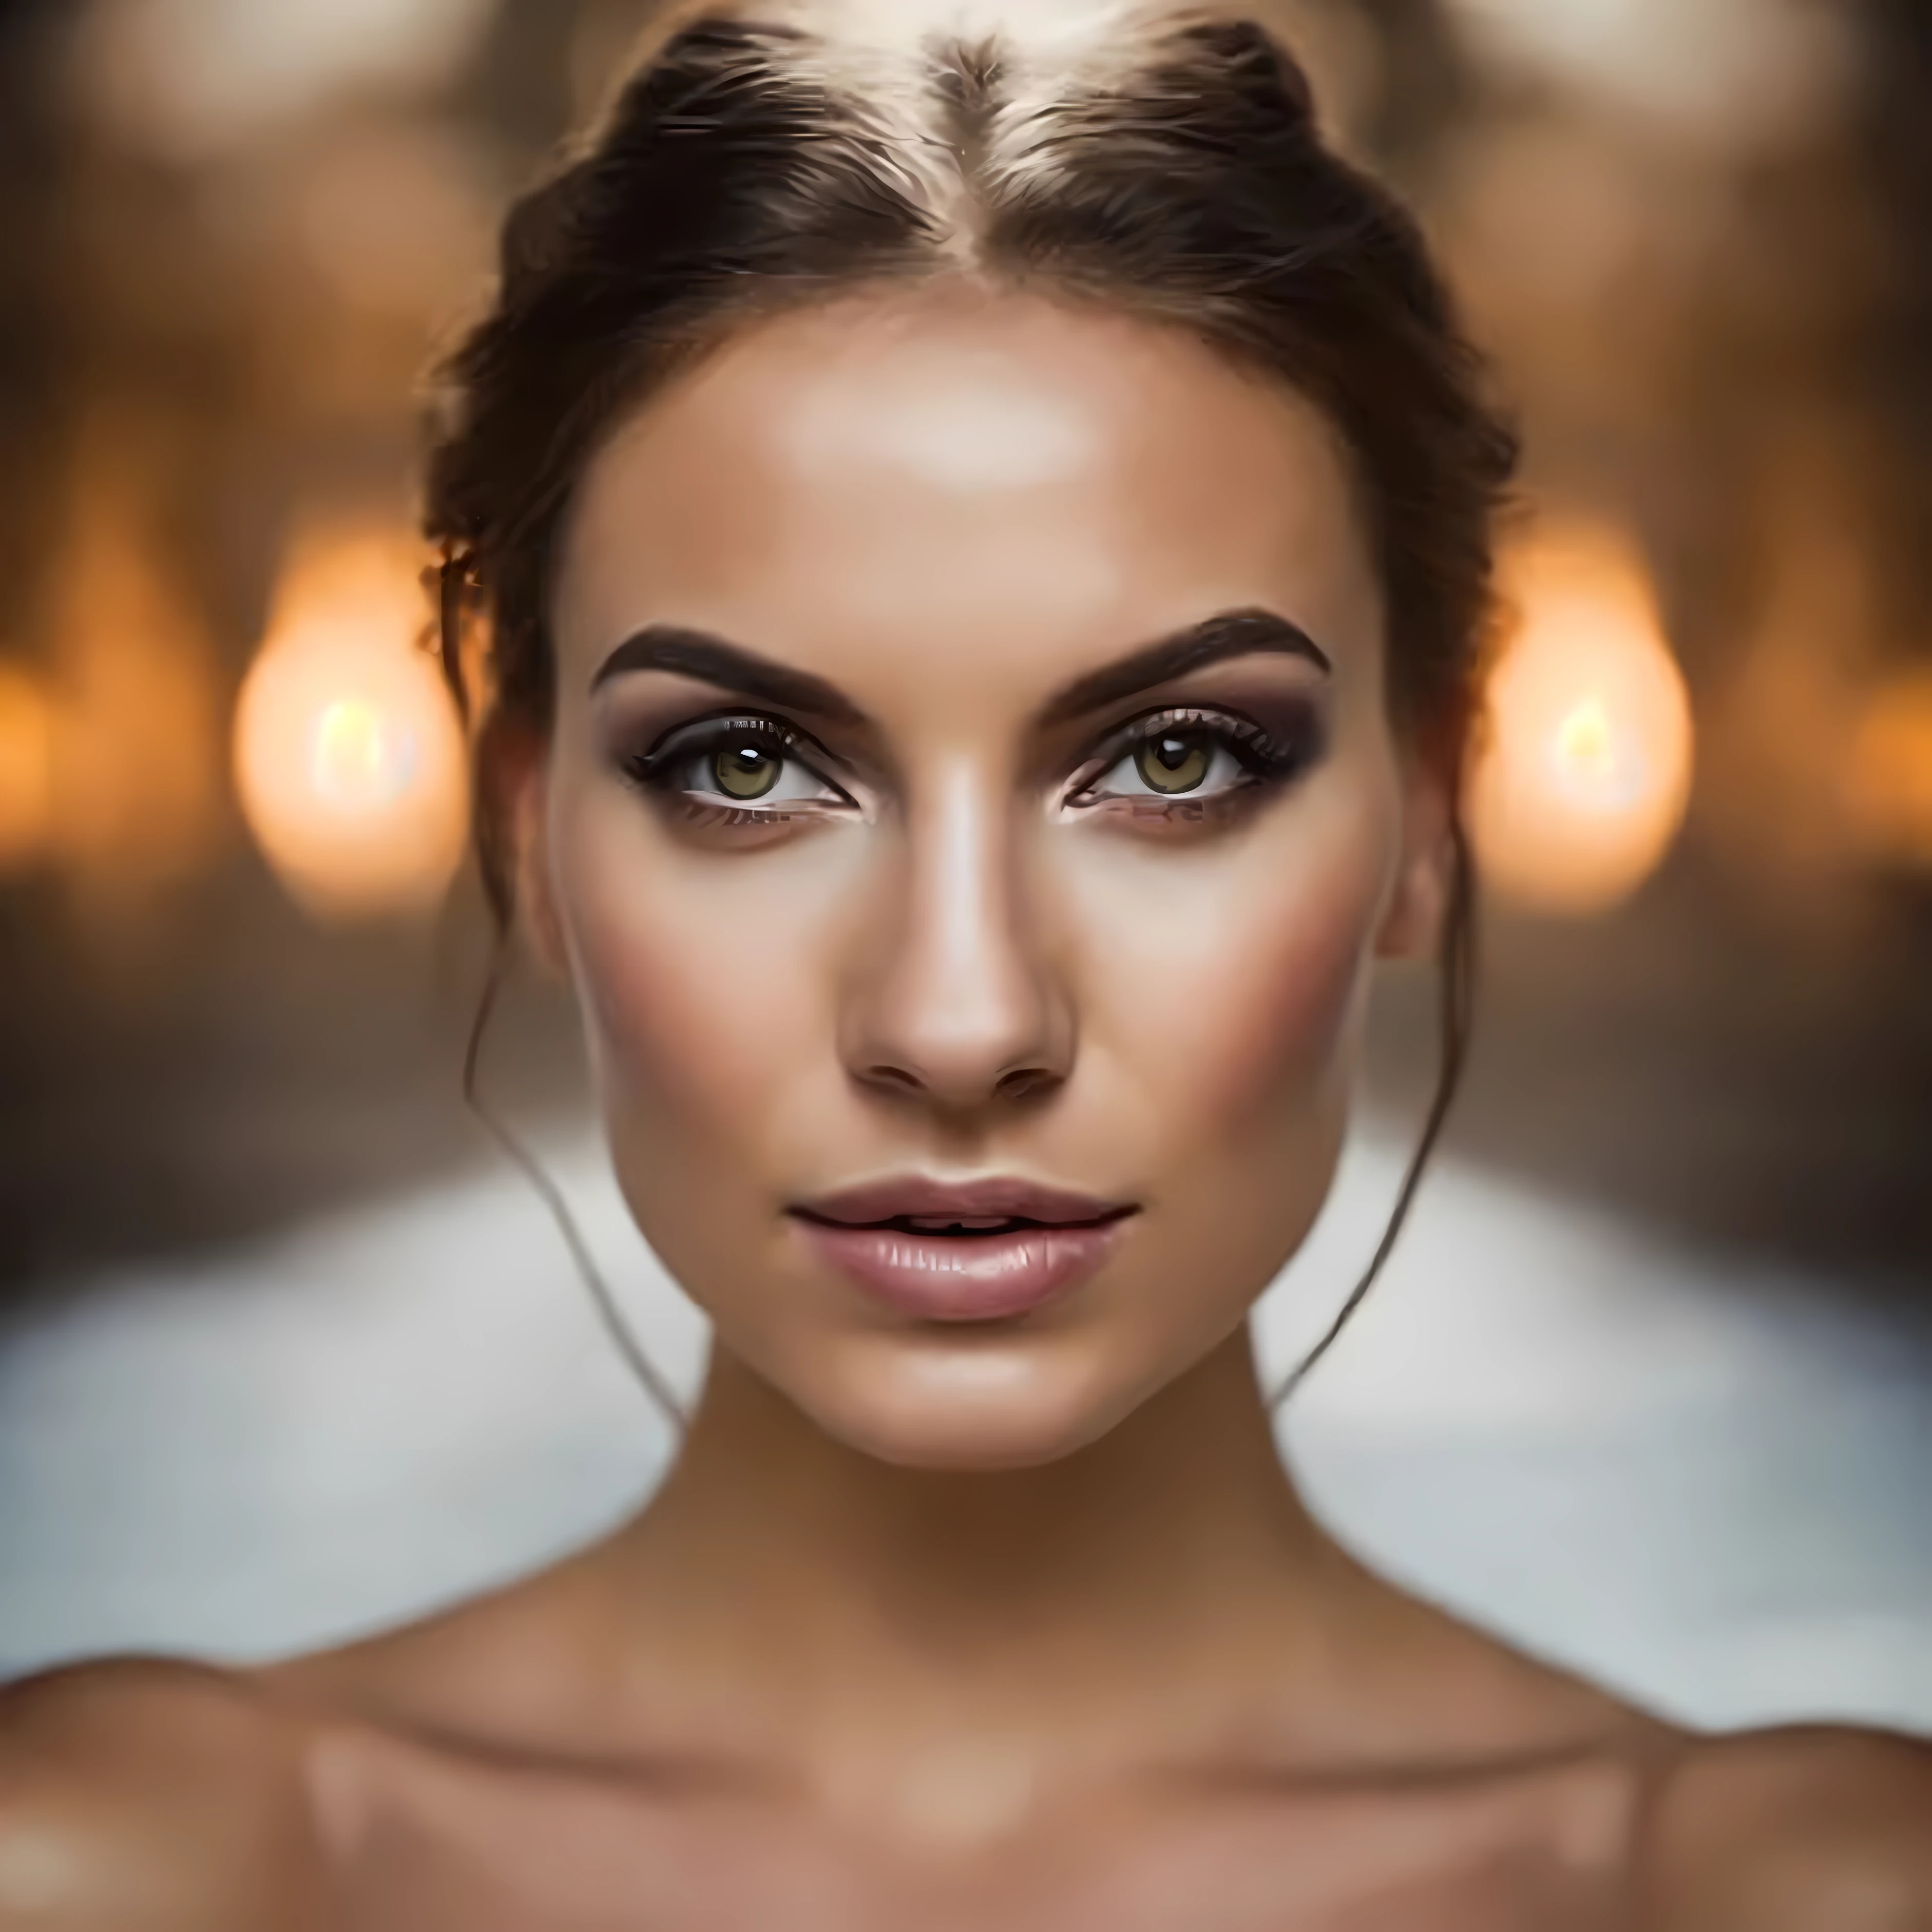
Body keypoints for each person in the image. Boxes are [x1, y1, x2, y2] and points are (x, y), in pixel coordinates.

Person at [3, 3, 1928, 1924]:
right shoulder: (122, 1868)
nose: (960, 1020)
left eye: (1175, 761)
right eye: (744, 768)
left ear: (1430, 815)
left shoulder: (1798, 1890)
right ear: (529, 836)